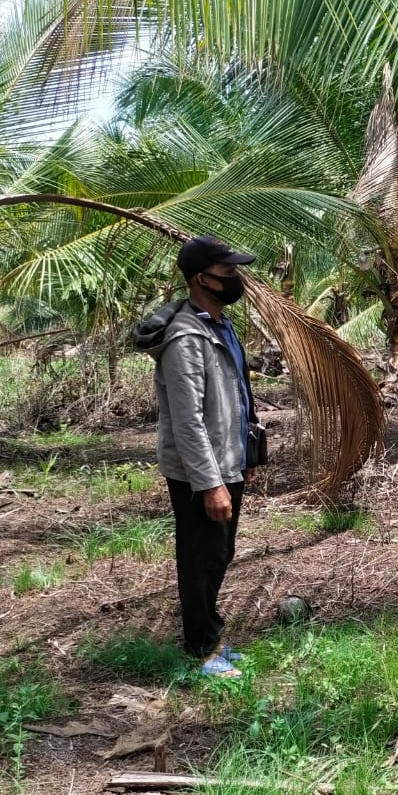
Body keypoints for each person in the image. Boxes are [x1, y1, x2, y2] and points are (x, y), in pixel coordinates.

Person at [131, 236, 260, 678]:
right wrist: (210, 482)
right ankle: (201, 649)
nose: (235, 279)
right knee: (201, 557)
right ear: (201, 279)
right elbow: (188, 422)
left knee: (219, 553)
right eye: (227, 272)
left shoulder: (218, 325)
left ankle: (211, 634)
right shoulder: (187, 337)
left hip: (227, 461)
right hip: (200, 472)